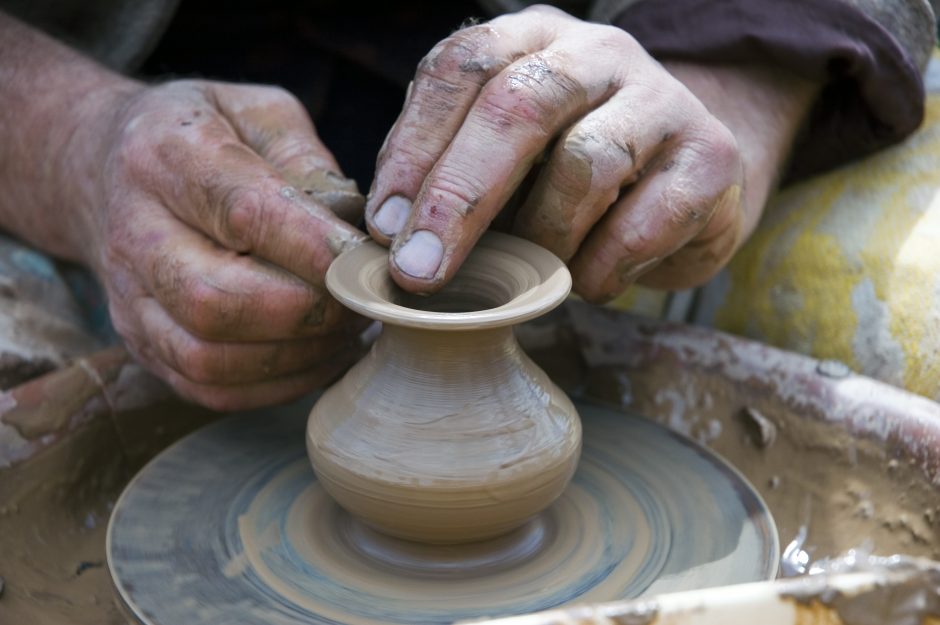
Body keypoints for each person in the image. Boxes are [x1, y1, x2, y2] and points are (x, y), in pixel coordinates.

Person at [0, 1, 934, 409]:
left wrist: (719, 95)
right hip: (78, 110)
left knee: (913, 320)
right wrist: (70, 143)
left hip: (600, 62)